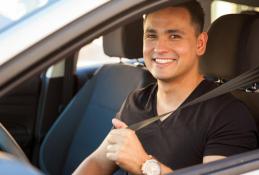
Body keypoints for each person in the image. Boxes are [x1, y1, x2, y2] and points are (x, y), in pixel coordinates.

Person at [73, 1, 258, 175]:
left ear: (200, 44)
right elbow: (97, 162)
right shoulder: (136, 101)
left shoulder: (229, 115)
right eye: (152, 36)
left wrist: (144, 164)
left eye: (174, 36)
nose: (159, 48)